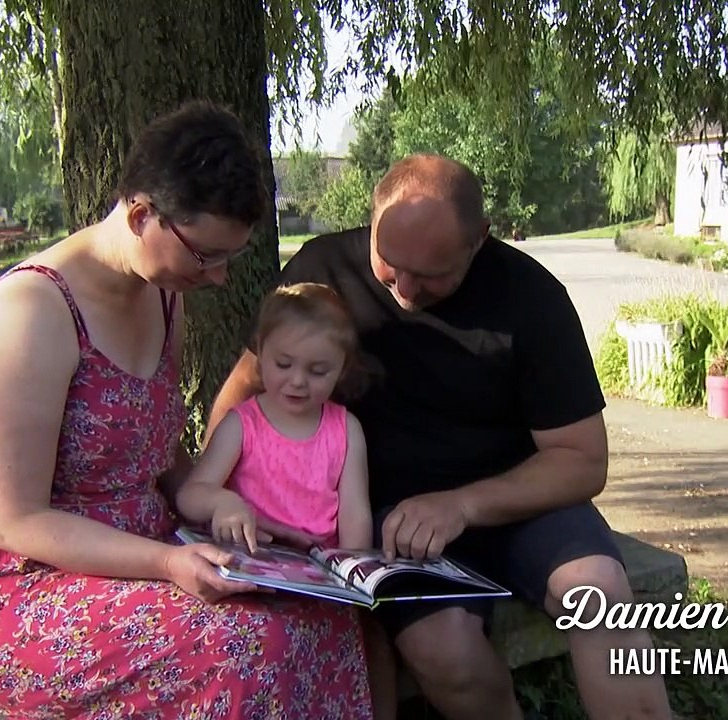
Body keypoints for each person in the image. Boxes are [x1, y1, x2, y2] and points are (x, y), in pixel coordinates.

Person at [0, 101, 374, 719]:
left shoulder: (163, 298)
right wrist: (166, 562)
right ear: (140, 214)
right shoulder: (30, 314)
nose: (217, 279)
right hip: (12, 588)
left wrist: (259, 526)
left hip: (146, 552)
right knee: (247, 646)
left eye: (229, 258)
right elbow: (14, 522)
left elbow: (159, 457)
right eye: (206, 256)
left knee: (322, 615)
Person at [206, 154, 674, 720]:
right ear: (373, 219)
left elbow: (582, 461)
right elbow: (246, 387)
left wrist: (462, 505)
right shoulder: (324, 268)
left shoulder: (532, 298)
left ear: (480, 239)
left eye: (430, 275)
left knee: (597, 594)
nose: (404, 289)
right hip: (388, 518)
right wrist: (218, 484)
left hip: (517, 499)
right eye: (389, 264)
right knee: (443, 648)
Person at [174, 281, 398, 720]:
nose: (297, 381)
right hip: (251, 584)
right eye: (283, 364)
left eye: (318, 371)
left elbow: (354, 506)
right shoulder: (244, 424)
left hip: (320, 590)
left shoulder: (344, 428)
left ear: (342, 369)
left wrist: (351, 570)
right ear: (260, 352)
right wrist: (223, 504)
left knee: (351, 654)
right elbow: (191, 495)